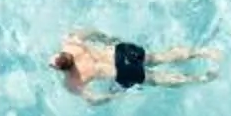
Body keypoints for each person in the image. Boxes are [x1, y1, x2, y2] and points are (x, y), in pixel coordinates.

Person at [51, 28, 218, 105]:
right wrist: (108, 39)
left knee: (156, 79)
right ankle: (203, 52)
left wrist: (113, 96)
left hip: (122, 72)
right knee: (159, 57)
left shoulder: (72, 82)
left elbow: (93, 99)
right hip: (121, 52)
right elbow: (92, 32)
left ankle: (201, 79)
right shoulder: (71, 42)